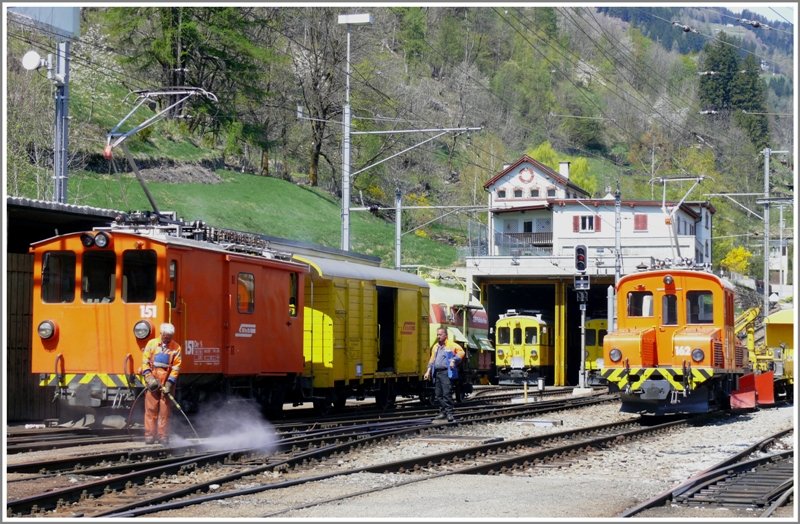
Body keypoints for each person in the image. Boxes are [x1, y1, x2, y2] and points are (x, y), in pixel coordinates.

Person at [141, 322, 182, 444]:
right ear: (161, 334)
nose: (167, 338)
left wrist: (169, 383)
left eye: (170, 336)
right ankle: (149, 435)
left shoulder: (176, 348)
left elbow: (176, 367)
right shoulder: (152, 344)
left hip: (167, 382)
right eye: (165, 336)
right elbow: (145, 362)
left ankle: (163, 436)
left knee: (165, 411)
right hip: (153, 381)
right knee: (151, 409)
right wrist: (149, 378)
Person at [423, 327, 465, 423]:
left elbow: (461, 352)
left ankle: (449, 413)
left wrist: (454, 360)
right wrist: (428, 371)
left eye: (440, 334)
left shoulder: (451, 345)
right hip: (437, 372)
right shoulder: (435, 347)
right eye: (437, 334)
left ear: (445, 335)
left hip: (446, 372)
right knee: (438, 395)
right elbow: (432, 359)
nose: (438, 336)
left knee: (446, 393)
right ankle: (443, 412)